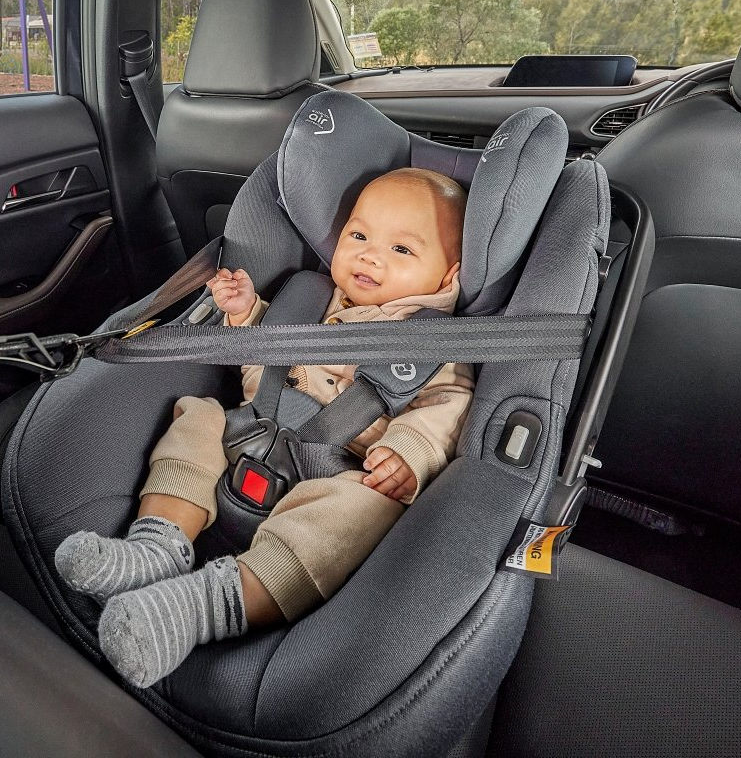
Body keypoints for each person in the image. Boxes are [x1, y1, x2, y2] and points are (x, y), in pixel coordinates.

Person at [54, 168, 475, 687]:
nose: (370, 255)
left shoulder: (437, 346)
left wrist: (410, 449)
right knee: (198, 413)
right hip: (256, 431)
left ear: (448, 275)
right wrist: (246, 315)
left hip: (340, 469)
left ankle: (212, 605)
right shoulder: (311, 300)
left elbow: (451, 403)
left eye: (402, 250)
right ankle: (156, 545)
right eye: (358, 236)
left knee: (365, 508)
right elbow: (264, 363)